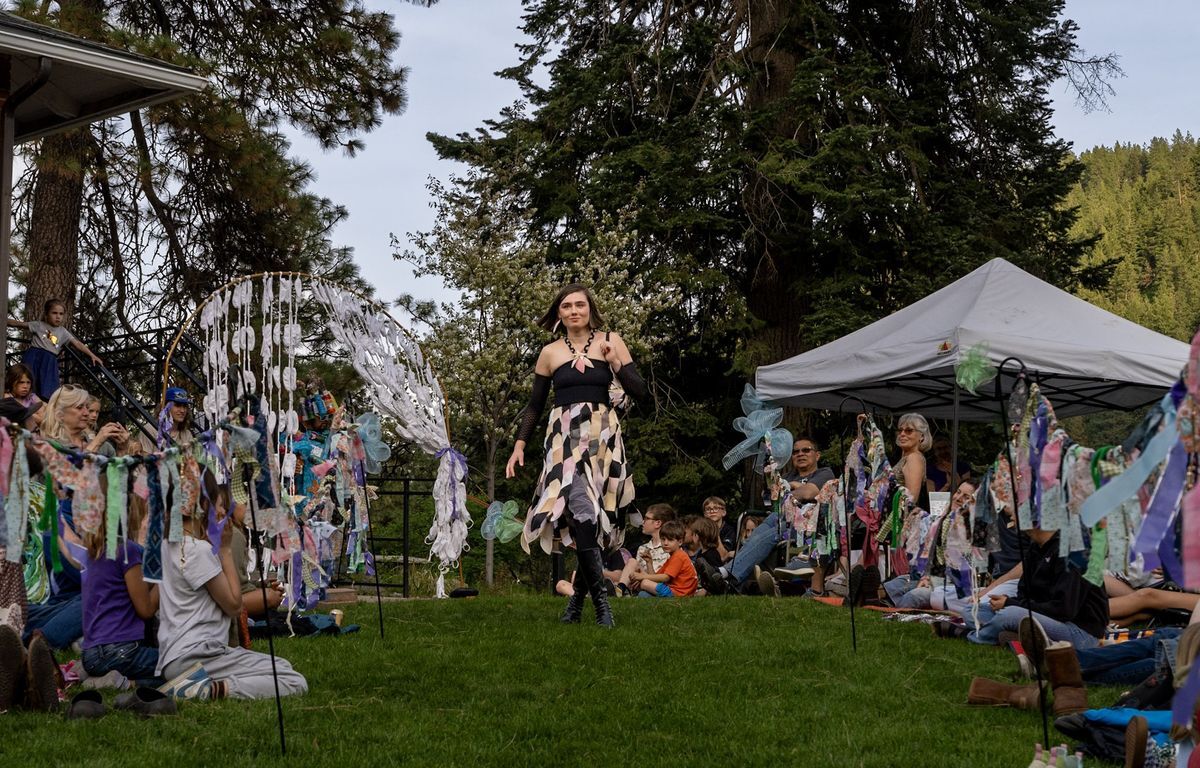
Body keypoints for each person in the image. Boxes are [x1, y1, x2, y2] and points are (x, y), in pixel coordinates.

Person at [506, 283, 647, 627]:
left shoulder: (610, 340)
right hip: (564, 441)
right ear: (559, 313)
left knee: (594, 520)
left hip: (603, 441)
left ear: (589, 309)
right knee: (578, 509)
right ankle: (603, 606)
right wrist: (519, 444)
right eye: (566, 306)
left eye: (579, 305)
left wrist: (615, 362)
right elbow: (534, 405)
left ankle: (576, 605)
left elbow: (643, 395)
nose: (573, 311)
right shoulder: (550, 353)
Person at [156, 470, 307, 700]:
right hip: (199, 655)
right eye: (218, 504)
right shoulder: (198, 551)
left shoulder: (168, 544)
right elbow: (235, 606)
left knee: (281, 664)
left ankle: (193, 683)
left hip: (173, 656)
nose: (221, 511)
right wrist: (225, 550)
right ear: (203, 505)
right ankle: (208, 689)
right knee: (293, 680)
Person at [700, 437, 836, 595]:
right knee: (761, 530)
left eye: (806, 450)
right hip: (783, 517)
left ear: (817, 455)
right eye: (795, 452)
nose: (800, 454)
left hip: (809, 525)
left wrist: (791, 486)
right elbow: (774, 499)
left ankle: (726, 575)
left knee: (774, 531)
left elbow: (809, 492)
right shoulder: (789, 475)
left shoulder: (824, 473)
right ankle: (729, 579)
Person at [965, 526, 1108, 649]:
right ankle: (1020, 637)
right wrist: (1011, 603)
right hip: (1046, 617)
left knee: (1008, 615)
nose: (1013, 516)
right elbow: (1024, 592)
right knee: (972, 612)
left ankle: (974, 636)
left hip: (1079, 631)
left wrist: (1011, 604)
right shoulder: (1037, 548)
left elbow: (1063, 610)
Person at [80, 499, 160, 686]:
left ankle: (100, 678)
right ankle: (119, 682)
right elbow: (146, 610)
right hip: (121, 652)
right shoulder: (127, 551)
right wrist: (163, 578)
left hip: (91, 655)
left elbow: (129, 589)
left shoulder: (92, 552)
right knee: (176, 665)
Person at [8, 298, 103, 400]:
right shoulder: (39, 325)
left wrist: (92, 355)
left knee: (48, 389)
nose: (58, 317)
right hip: (34, 357)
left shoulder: (63, 331)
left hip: (49, 360)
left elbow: (77, 344)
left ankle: (43, 407)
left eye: (61, 314)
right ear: (46, 314)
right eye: (54, 313)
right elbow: (19, 324)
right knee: (28, 381)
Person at [615, 504, 675, 597]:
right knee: (632, 561)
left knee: (644, 592)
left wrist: (641, 578)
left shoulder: (670, 548)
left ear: (657, 523)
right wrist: (635, 578)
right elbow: (636, 572)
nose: (643, 521)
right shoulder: (643, 548)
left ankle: (623, 591)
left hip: (660, 586)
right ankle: (621, 588)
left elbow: (667, 577)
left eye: (646, 518)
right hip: (643, 583)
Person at [631, 521, 697, 598]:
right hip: (674, 591)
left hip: (679, 593)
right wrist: (649, 562)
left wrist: (642, 576)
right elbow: (655, 578)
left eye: (670, 540)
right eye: (663, 539)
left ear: (680, 542)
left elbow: (665, 578)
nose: (665, 543)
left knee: (645, 583)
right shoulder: (672, 557)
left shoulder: (679, 556)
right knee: (643, 594)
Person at [141, 386, 196, 452]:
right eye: (177, 405)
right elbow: (143, 459)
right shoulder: (150, 430)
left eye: (184, 406)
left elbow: (190, 460)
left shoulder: (187, 434)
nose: (182, 410)